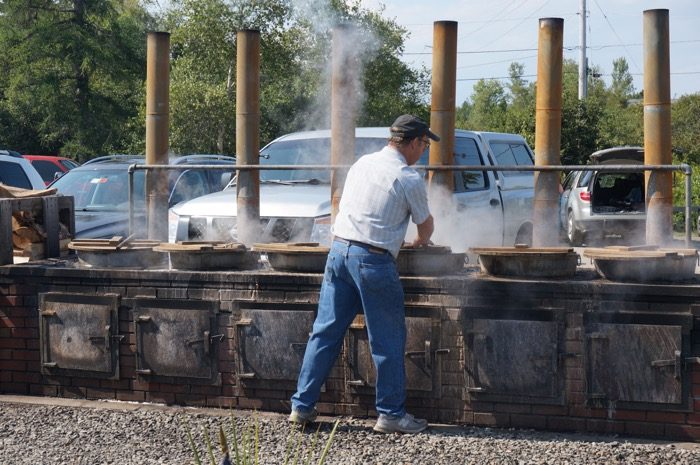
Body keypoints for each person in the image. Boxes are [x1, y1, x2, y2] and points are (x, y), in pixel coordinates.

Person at [289, 114, 438, 434]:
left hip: (339, 252)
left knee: (325, 333)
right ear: (413, 142)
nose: (423, 151)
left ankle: (302, 407)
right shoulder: (408, 177)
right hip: (373, 261)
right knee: (387, 339)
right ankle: (391, 414)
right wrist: (420, 241)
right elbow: (425, 224)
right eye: (424, 144)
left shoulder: (362, 163)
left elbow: (345, 204)